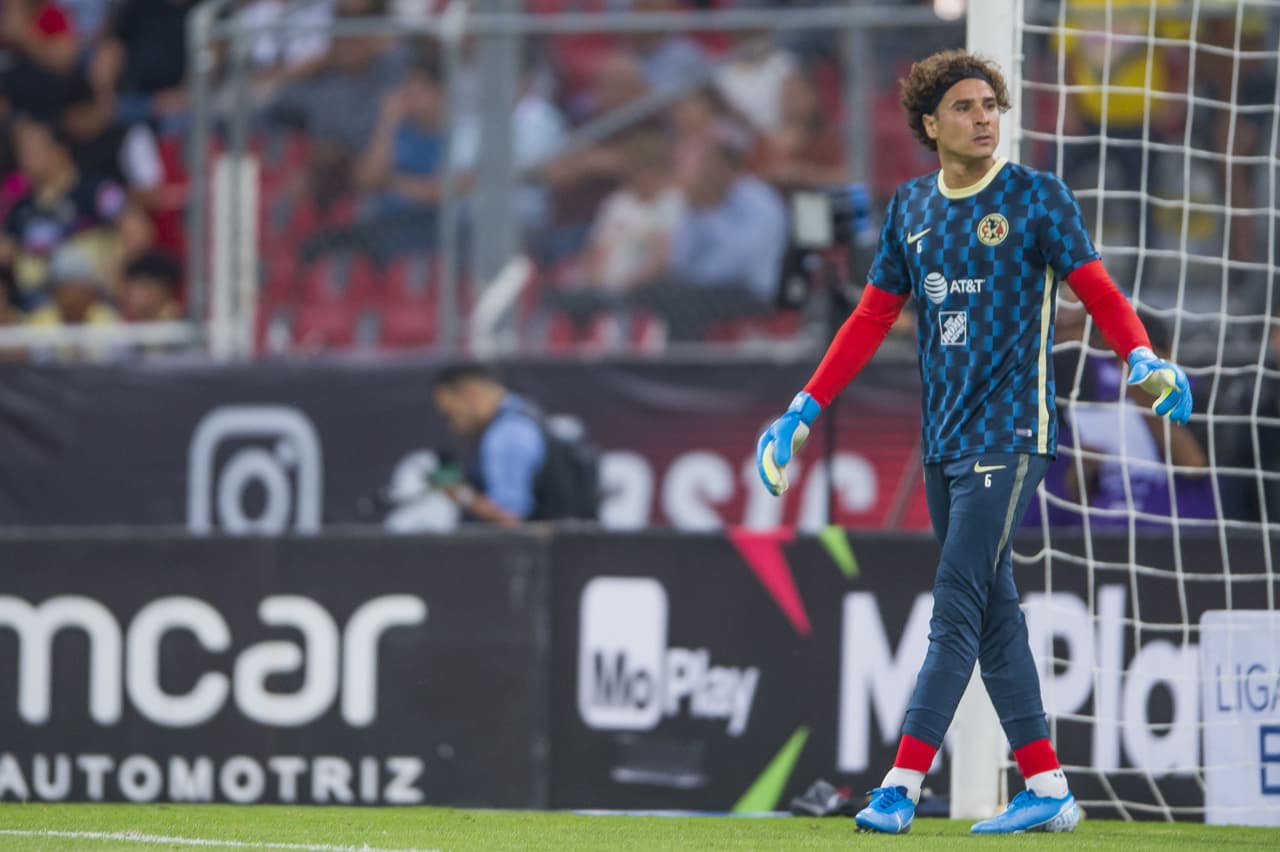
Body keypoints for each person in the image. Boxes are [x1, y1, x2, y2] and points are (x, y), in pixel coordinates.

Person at [754, 50, 1192, 835]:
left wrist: (1143, 357)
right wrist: (802, 409)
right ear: (929, 124)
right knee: (994, 613)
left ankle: (900, 784)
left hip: (1013, 431)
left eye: (991, 103)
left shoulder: (1035, 197)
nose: (985, 116)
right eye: (964, 106)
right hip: (944, 440)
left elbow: (1097, 289)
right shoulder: (912, 208)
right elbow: (870, 317)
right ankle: (1049, 786)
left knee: (954, 604)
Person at [430, 363, 599, 526]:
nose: (453, 427)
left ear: (470, 395)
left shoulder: (506, 435)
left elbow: (510, 518)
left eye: (451, 414)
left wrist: (460, 494)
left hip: (539, 552)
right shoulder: (524, 415)